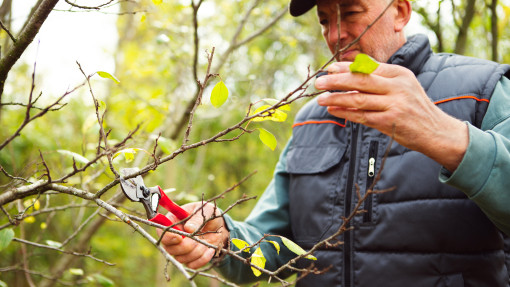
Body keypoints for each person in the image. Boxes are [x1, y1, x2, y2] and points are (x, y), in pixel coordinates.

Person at [159, 0, 510, 285]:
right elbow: (273, 247)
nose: (336, 34)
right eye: (325, 20)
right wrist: (223, 238)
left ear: (400, 12)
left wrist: (442, 134)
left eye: (352, 12)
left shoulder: (480, 90)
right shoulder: (313, 118)